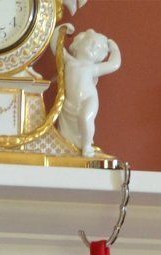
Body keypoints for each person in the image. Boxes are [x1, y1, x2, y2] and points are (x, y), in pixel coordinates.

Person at [52, 27, 122, 158]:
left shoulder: (93, 68)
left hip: (88, 99)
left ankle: (86, 146)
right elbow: (57, 47)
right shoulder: (69, 61)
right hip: (69, 102)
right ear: (78, 45)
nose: (94, 48)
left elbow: (115, 64)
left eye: (98, 48)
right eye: (91, 43)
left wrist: (114, 49)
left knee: (85, 118)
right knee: (67, 128)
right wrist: (60, 30)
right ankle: (71, 146)